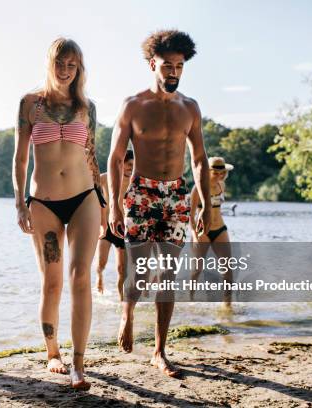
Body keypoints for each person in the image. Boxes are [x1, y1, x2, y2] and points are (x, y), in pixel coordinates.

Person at [107, 30, 211, 378]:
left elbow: (198, 159)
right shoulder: (133, 105)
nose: (173, 72)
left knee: (168, 273)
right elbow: (114, 157)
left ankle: (159, 351)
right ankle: (127, 313)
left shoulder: (190, 107)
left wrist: (205, 204)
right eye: (167, 65)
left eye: (179, 66)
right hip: (141, 192)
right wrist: (114, 205)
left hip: (176, 195)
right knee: (137, 270)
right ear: (153, 64)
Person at [12, 38, 105, 390]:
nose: (66, 70)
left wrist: (104, 201)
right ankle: (53, 353)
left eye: (72, 64)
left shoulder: (87, 107)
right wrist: (20, 203)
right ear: (50, 63)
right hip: (44, 203)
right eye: (60, 63)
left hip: (84, 198)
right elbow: (20, 159)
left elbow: (92, 155)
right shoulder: (30, 104)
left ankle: (79, 363)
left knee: (81, 277)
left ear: (79, 67)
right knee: (52, 282)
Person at [189, 156, 234, 307]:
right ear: (207, 172)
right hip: (203, 231)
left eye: (222, 173)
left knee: (227, 267)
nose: (220, 176)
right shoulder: (197, 188)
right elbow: (190, 216)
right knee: (197, 269)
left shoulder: (222, 185)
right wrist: (195, 236)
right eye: (216, 173)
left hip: (220, 229)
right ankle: (191, 299)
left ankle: (227, 305)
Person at [95, 150, 134, 299]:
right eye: (129, 164)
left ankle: (122, 300)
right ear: (121, 163)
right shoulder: (105, 178)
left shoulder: (134, 182)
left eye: (133, 165)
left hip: (123, 230)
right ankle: (99, 276)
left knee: (122, 269)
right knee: (101, 264)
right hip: (105, 228)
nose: (131, 168)